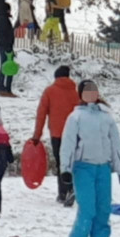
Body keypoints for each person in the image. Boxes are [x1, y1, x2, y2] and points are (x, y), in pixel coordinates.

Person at [60, 80, 120, 237]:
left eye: (93, 90)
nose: (91, 94)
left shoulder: (106, 117)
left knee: (103, 211)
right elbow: (68, 145)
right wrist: (65, 169)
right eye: (86, 91)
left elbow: (115, 144)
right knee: (87, 209)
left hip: (103, 168)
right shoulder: (75, 117)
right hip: (83, 167)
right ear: (81, 94)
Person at [32, 65, 81, 205]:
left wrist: (37, 135)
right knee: (73, 163)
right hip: (76, 134)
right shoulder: (76, 92)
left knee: (61, 163)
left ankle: (64, 192)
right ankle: (73, 189)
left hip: (57, 134)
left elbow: (41, 114)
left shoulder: (49, 91)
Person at [0, 2, 16, 98]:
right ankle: (5, 89)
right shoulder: (3, 20)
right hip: (6, 47)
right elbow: (3, 35)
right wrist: (8, 46)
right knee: (7, 68)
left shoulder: (1, 19)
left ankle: (4, 89)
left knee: (6, 67)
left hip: (4, 46)